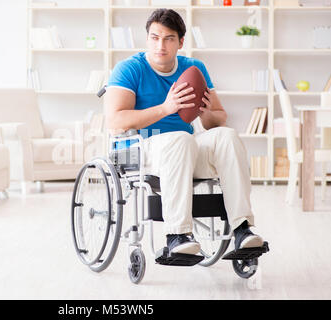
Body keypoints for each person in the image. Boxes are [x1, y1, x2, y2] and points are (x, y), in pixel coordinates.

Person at [105, 8, 264, 255]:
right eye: (155, 37)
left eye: (168, 38)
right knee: (180, 139)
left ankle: (243, 228)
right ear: (147, 38)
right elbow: (115, 121)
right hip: (141, 149)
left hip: (185, 150)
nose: (160, 45)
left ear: (180, 42)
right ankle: (177, 235)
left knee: (227, 136)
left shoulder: (194, 68)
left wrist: (206, 112)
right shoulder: (129, 69)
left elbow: (218, 119)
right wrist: (166, 108)